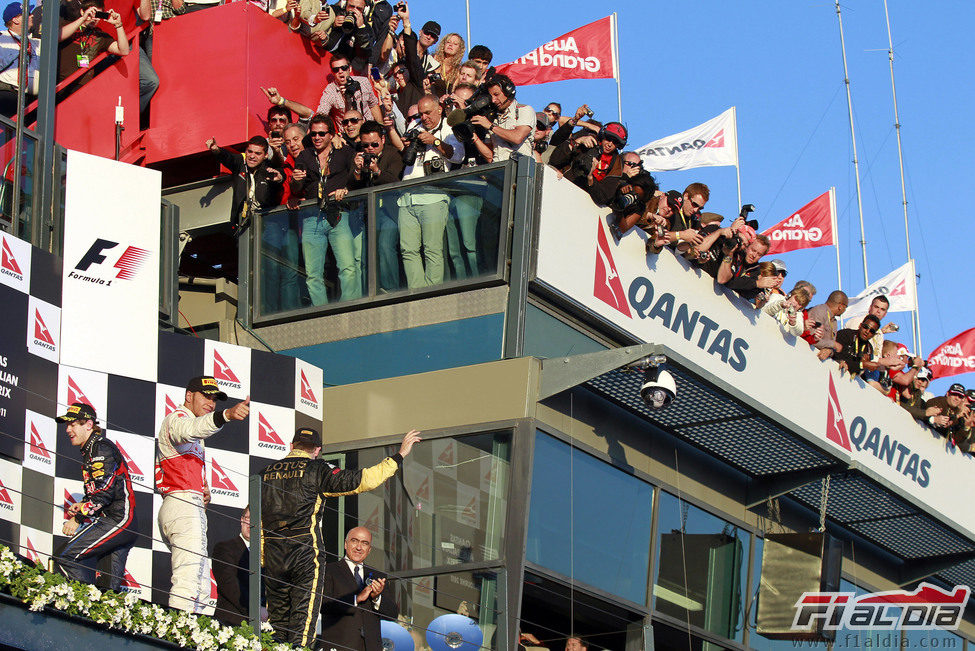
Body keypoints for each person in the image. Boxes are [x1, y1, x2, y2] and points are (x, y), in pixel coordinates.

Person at [261, 427, 421, 647]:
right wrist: (399, 455)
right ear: (316, 450)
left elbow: (257, 520)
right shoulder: (317, 468)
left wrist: (264, 558)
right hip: (304, 554)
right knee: (301, 628)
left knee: (276, 626)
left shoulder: (265, 473)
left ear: (291, 446)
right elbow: (364, 480)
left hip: (273, 555)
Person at [155, 376, 250, 613]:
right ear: (189, 396)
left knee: (200, 583)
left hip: (187, 504)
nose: (211, 402)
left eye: (215, 399)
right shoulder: (176, 419)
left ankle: (194, 636)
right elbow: (191, 429)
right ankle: (180, 637)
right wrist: (226, 415)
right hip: (182, 503)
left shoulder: (192, 430)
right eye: (206, 396)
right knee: (188, 579)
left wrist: (203, 492)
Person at [51, 402, 137, 592]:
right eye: (67, 425)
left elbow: (103, 494)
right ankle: (97, 614)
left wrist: (78, 517)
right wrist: (82, 504)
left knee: (64, 557)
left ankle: (80, 607)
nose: (68, 430)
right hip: (118, 521)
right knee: (108, 590)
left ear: (88, 424)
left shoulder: (100, 448)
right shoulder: (91, 450)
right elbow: (100, 490)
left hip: (119, 520)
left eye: (73, 424)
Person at [396, 93, 463, 288]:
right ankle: (416, 292)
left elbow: (457, 156)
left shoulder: (450, 128)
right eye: (421, 114)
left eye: (427, 113)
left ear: (439, 109)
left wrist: (433, 141)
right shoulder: (414, 126)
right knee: (408, 250)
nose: (424, 117)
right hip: (407, 196)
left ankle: (430, 293)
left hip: (433, 196)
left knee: (432, 248)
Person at [290, 113, 356, 304]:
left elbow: (356, 177)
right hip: (312, 218)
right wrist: (295, 180)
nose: (317, 138)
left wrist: (347, 189)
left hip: (338, 214)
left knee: (348, 267)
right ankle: (321, 312)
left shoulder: (344, 152)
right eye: (313, 134)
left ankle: (349, 309)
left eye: (321, 134)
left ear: (331, 135)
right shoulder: (304, 155)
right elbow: (297, 188)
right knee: (313, 274)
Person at [319, 526, 399, 651]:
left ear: (369, 549)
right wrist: (356, 598)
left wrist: (376, 597)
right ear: (346, 544)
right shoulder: (328, 571)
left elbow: (393, 613)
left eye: (364, 543)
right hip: (339, 646)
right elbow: (324, 604)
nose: (359, 547)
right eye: (354, 541)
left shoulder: (378, 576)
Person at [261, 52, 381, 131]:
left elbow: (373, 104)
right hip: (347, 134)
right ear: (333, 73)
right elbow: (321, 114)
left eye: (343, 68)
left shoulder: (364, 82)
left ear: (349, 69)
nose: (340, 72)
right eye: (336, 69)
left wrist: (380, 126)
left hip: (369, 129)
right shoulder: (330, 91)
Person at [349, 119, 404, 291]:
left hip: (389, 211)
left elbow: (394, 181)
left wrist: (376, 170)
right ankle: (370, 292)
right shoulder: (358, 156)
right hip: (367, 213)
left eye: (374, 144)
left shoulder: (393, 154)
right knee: (366, 254)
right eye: (365, 145)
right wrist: (357, 170)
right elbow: (350, 186)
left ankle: (390, 290)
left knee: (385, 247)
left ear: (383, 140)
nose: (369, 149)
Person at [206, 135, 284, 235]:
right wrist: (216, 150)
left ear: (265, 155)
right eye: (250, 151)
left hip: (268, 222)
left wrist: (279, 178)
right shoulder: (240, 163)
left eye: (257, 153)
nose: (252, 156)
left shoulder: (269, 168)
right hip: (243, 223)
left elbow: (282, 174)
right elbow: (228, 157)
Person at [469, 73, 534, 161]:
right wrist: (473, 136)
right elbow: (490, 157)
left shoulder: (525, 110)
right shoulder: (493, 118)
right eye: (491, 97)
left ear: (508, 91)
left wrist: (491, 126)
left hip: (519, 169)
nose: (493, 100)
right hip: (498, 170)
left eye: (496, 94)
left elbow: (517, 137)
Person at [212, 506, 253, 627]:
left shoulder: (268, 555)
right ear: (241, 520)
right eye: (249, 518)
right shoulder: (225, 548)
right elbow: (229, 584)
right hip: (231, 624)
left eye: (257, 520)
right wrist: (255, 610)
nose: (251, 524)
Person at [0, 2, 41, 117]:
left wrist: (82, 21)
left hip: (31, 101)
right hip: (7, 96)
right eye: (27, 14)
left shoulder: (35, 42)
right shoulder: (2, 39)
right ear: (15, 20)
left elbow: (58, 37)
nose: (32, 16)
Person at [805, 290, 848, 361]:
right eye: (845, 307)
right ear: (840, 306)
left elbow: (830, 348)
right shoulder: (819, 311)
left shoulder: (834, 320)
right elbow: (810, 338)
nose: (845, 310)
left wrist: (830, 351)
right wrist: (833, 344)